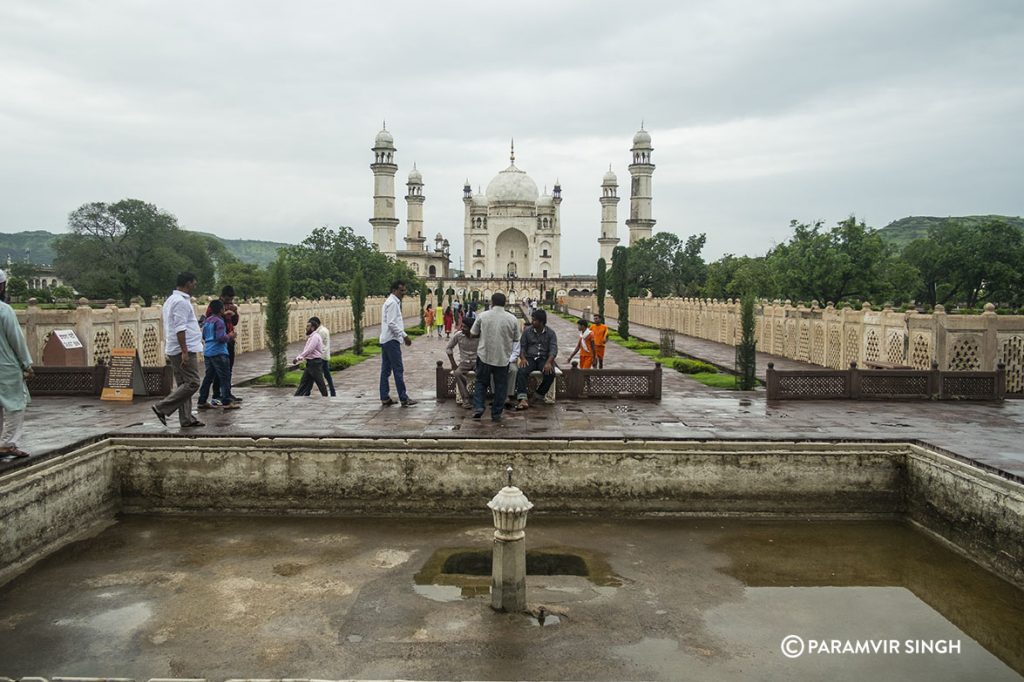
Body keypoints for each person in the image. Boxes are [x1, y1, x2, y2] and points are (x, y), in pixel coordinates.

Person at [153, 272, 205, 428]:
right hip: (182, 349)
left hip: (176, 347)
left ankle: (186, 419)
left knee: (184, 384)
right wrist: (184, 351)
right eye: (193, 283)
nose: (194, 286)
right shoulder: (180, 302)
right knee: (193, 383)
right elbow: (180, 328)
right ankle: (161, 407)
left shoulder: (171, 300)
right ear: (188, 284)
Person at [470, 292, 520, 422]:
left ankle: (479, 407)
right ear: (506, 302)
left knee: (481, 382)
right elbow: (516, 338)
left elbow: (473, 333)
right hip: (502, 358)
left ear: (492, 302)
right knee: (501, 386)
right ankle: (496, 413)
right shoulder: (512, 319)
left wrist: (484, 334)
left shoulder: (483, 316)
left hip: (484, 355)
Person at [0, 269, 34, 458]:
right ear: (2, 286)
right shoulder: (4, 310)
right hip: (6, 366)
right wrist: (26, 364)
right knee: (15, 404)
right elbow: (16, 340)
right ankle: (6, 444)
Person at [380, 280, 416, 406]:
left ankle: (384, 396)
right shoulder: (392, 303)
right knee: (398, 369)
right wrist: (404, 336)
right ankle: (403, 397)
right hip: (391, 340)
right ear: (394, 290)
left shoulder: (391, 302)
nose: (403, 293)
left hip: (386, 339)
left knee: (386, 370)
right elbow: (391, 323)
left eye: (404, 290)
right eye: (401, 290)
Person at [197, 299, 238, 409]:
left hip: (208, 352)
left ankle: (202, 400)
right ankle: (226, 401)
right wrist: (230, 336)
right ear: (221, 310)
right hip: (219, 352)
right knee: (224, 377)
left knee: (208, 377)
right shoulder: (219, 321)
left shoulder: (208, 321)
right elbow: (220, 338)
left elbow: (204, 337)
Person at [514, 308, 558, 410]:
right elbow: (522, 347)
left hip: (544, 359)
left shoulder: (550, 333)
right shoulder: (527, 332)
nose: (532, 321)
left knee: (550, 373)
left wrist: (548, 363)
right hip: (530, 358)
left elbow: (553, 350)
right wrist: (523, 358)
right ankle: (522, 398)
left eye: (534, 320)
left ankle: (538, 395)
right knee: (521, 371)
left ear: (541, 322)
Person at [206, 285, 242, 403]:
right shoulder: (215, 306)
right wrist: (224, 313)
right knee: (218, 371)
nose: (229, 302)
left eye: (231, 300)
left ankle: (227, 392)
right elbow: (209, 320)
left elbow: (234, 322)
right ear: (222, 297)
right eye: (227, 300)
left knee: (228, 369)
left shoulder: (231, 307)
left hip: (229, 342)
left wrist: (235, 313)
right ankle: (217, 394)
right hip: (218, 343)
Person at [446, 314, 479, 407]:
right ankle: (466, 399)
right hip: (464, 362)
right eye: (462, 326)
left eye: (465, 327)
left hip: (477, 362)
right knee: (457, 373)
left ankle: (478, 399)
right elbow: (449, 348)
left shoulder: (479, 336)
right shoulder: (459, 335)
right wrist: (453, 363)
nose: (462, 328)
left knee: (482, 374)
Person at [294, 317, 328, 397]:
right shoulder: (312, 337)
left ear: (312, 328)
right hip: (310, 363)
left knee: (320, 382)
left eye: (308, 326)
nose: (306, 328)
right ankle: (296, 397)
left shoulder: (315, 337)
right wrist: (300, 357)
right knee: (304, 382)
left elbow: (309, 350)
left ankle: (326, 398)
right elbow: (307, 350)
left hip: (314, 363)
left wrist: (298, 358)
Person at [315, 320, 336, 397]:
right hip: (323, 355)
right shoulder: (323, 330)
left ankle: (326, 392)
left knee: (317, 375)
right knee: (326, 375)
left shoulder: (321, 332)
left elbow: (319, 345)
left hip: (321, 356)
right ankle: (332, 391)